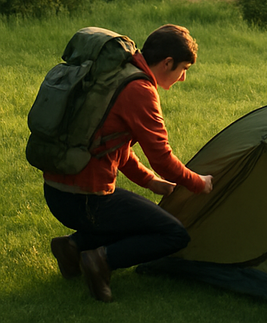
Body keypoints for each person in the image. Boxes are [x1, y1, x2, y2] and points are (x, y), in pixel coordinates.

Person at [42, 24, 214, 302]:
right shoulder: (140, 90)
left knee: (138, 213)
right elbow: (162, 157)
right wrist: (198, 183)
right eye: (184, 69)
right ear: (167, 62)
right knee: (173, 233)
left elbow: (112, 145)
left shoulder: (117, 75)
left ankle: (72, 247)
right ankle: (101, 261)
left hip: (57, 191)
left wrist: (149, 182)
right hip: (86, 200)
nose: (182, 78)